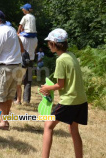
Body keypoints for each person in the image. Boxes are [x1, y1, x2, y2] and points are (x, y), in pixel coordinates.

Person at [40, 28, 87, 158]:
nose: (48, 45)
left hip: (69, 101)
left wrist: (47, 88)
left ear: (54, 44)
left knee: (48, 125)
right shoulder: (71, 55)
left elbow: (60, 85)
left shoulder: (60, 60)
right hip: (81, 100)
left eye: (49, 42)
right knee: (73, 129)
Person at [17, 3, 38, 105]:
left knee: (17, 79)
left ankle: (17, 99)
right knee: (28, 80)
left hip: (22, 59)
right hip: (31, 58)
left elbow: (20, 26)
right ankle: (26, 100)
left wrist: (18, 33)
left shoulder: (21, 37)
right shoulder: (35, 39)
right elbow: (35, 49)